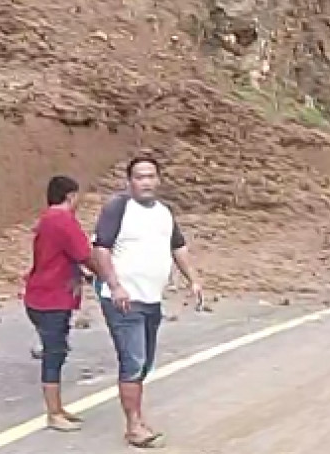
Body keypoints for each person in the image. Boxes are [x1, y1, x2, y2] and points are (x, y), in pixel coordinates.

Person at [92, 156, 203, 449]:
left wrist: (193, 279)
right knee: (134, 361)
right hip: (124, 300)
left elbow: (178, 246)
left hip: (151, 299)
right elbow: (101, 249)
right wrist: (115, 286)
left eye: (151, 176)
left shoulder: (164, 213)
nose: (146, 182)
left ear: (159, 180)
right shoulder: (118, 208)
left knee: (144, 363)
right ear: (130, 181)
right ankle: (134, 426)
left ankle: (137, 419)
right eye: (139, 177)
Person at [23, 175, 96, 432]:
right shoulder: (63, 220)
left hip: (41, 294)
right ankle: (53, 413)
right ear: (71, 196)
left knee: (57, 351)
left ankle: (57, 408)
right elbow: (85, 254)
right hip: (51, 298)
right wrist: (107, 276)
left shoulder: (47, 219)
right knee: (54, 354)